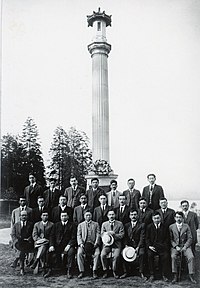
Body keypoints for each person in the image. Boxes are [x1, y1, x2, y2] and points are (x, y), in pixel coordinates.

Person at [169, 211, 196, 284]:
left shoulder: (186, 226)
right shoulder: (171, 227)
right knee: (173, 256)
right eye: (177, 217)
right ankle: (175, 275)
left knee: (191, 257)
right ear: (175, 218)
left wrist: (185, 246)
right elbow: (170, 239)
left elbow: (190, 238)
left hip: (185, 246)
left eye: (180, 217)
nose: (178, 219)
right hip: (175, 247)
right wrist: (175, 246)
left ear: (182, 218)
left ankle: (191, 275)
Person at [48, 211, 76, 278]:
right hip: (58, 245)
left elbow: (73, 237)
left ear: (68, 217)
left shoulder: (72, 225)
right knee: (49, 252)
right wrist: (51, 245)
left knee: (71, 252)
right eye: (62, 216)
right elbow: (52, 236)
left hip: (68, 245)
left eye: (65, 216)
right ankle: (49, 269)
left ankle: (69, 270)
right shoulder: (56, 225)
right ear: (60, 217)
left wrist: (69, 245)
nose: (64, 217)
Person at [146, 211, 170, 282]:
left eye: (158, 218)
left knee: (165, 256)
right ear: (152, 219)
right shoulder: (149, 227)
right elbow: (147, 238)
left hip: (162, 247)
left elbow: (167, 239)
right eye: (155, 218)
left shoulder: (165, 227)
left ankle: (164, 274)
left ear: (160, 218)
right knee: (150, 255)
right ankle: (152, 274)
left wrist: (162, 247)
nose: (156, 220)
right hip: (152, 247)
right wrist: (149, 246)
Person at [121, 209, 146, 279]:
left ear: (137, 215)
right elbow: (125, 237)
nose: (133, 216)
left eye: (135, 215)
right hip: (129, 245)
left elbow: (142, 237)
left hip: (139, 245)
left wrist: (138, 247)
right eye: (132, 215)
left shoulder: (142, 225)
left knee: (141, 254)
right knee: (122, 253)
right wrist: (126, 245)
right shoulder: (126, 225)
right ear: (129, 216)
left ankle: (141, 272)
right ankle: (126, 272)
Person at [100, 209, 124, 279]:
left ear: (115, 215)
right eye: (110, 215)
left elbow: (122, 235)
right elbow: (101, 234)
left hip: (116, 244)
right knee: (102, 255)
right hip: (107, 244)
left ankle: (114, 271)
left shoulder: (120, 224)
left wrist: (114, 235)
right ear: (107, 216)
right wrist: (107, 235)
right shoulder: (104, 224)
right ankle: (105, 270)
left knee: (116, 256)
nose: (111, 216)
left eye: (113, 214)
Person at [77, 211, 101, 279]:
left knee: (97, 253)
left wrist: (96, 243)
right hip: (84, 244)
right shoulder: (80, 225)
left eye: (89, 215)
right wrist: (81, 243)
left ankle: (94, 271)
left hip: (94, 244)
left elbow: (98, 234)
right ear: (84, 216)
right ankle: (81, 271)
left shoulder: (96, 224)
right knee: (79, 253)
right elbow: (78, 235)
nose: (88, 217)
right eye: (86, 215)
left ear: (91, 216)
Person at [11, 210, 34, 275]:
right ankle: (21, 267)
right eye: (22, 215)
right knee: (22, 248)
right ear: (20, 216)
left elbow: (33, 234)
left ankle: (19, 263)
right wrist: (15, 241)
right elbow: (13, 234)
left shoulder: (31, 224)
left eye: (25, 215)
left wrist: (30, 239)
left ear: (27, 216)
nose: (24, 217)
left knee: (22, 249)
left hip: (28, 242)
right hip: (18, 242)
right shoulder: (16, 225)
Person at [31, 210, 54, 275]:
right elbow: (34, 235)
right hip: (38, 243)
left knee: (43, 246)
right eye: (43, 215)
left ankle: (37, 261)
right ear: (41, 216)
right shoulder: (37, 224)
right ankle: (41, 265)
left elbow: (52, 235)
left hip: (48, 243)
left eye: (46, 215)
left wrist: (46, 241)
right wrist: (41, 240)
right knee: (43, 246)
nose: (45, 217)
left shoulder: (52, 224)